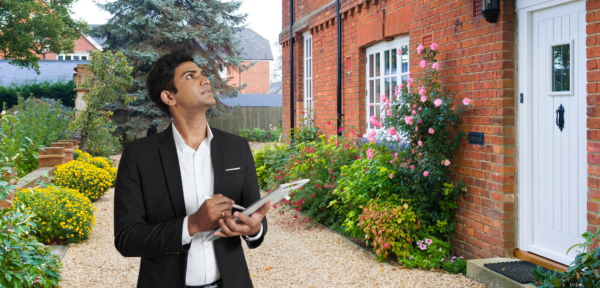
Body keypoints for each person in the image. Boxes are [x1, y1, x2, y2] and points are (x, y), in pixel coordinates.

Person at [114, 50, 273, 288]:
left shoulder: (237, 148)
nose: (205, 79)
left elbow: (253, 217)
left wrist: (255, 229)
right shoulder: (138, 156)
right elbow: (127, 239)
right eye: (190, 76)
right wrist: (192, 224)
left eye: (202, 73)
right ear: (169, 97)